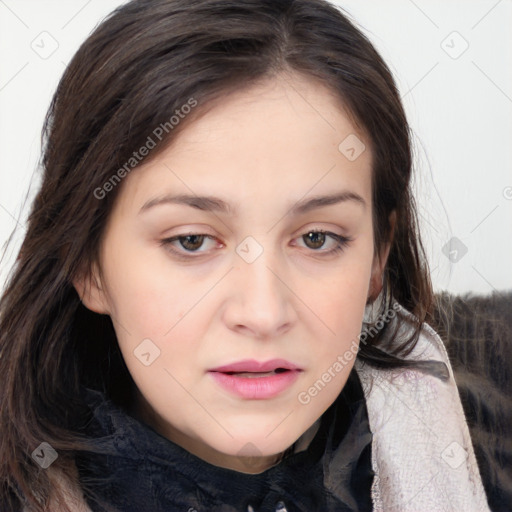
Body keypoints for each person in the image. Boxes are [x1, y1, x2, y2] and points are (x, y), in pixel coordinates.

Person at [0, 0, 490, 510]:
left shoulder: (471, 449)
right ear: (87, 265)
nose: (263, 313)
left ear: (377, 255)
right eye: (191, 240)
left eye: (317, 238)